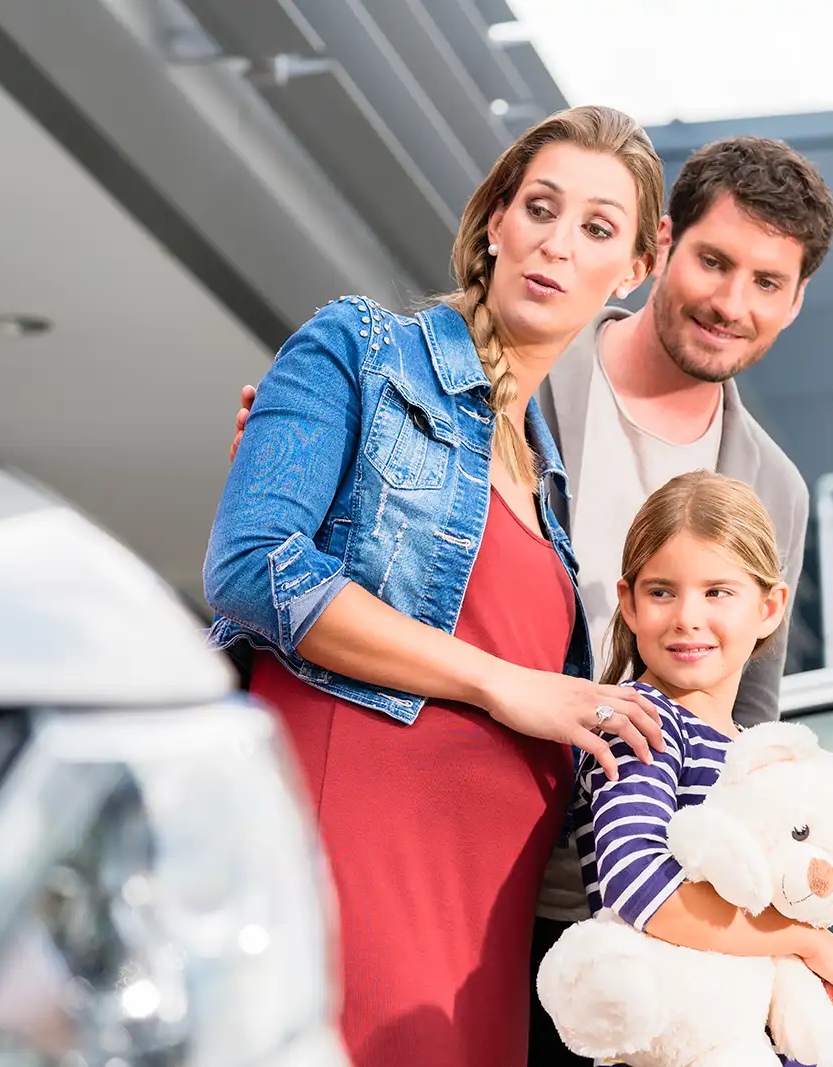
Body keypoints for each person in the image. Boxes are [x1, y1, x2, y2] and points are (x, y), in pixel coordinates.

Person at [227, 135, 833, 1064]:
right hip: (388, 837)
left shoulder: (758, 486)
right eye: (714, 262)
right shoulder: (459, 370)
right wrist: (303, 441)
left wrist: (746, 937)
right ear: (663, 252)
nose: (730, 301)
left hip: (581, 895)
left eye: (767, 282)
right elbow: (271, 558)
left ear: (796, 302)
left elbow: (739, 730)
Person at [202, 105, 668, 1067]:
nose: (555, 243)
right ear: (494, 220)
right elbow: (254, 567)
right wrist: (504, 680)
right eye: (539, 207)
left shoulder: (552, 482)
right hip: (353, 841)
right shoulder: (362, 351)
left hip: (485, 906)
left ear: (629, 272)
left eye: (596, 228)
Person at [568, 471, 833, 1064]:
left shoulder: (753, 750)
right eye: (661, 592)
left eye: (717, 592)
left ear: (770, 606)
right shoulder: (638, 724)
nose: (687, 617)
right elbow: (637, 885)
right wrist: (808, 940)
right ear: (627, 602)